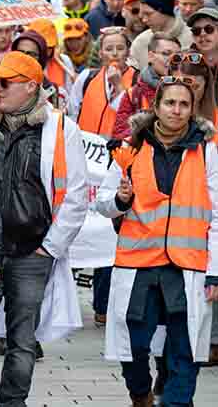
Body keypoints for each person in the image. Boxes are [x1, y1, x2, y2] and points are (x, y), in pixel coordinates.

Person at [0, 52, 89, 407]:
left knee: (22, 338)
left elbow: (76, 194)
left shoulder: (62, 128)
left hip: (33, 252)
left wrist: (49, 248)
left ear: (32, 87)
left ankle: (12, 401)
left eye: (6, 82)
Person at [95, 77, 218, 407]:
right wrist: (120, 200)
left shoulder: (206, 151)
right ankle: (140, 393)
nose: (176, 110)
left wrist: (215, 271)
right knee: (133, 344)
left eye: (184, 105)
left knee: (185, 347)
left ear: (192, 110)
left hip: (188, 265)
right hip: (139, 264)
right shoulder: (132, 147)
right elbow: (103, 202)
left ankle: (175, 403)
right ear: (156, 107)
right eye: (170, 103)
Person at [70, 28, 137, 138]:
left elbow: (132, 118)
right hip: (87, 148)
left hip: (119, 149)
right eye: (109, 49)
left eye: (120, 48)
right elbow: (73, 113)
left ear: (128, 52)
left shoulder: (137, 80)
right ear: (100, 54)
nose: (114, 54)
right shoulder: (87, 77)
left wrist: (118, 85)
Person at [113, 33, 182, 140]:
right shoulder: (133, 95)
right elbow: (119, 136)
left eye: (177, 56)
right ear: (150, 56)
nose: (172, 60)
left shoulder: (187, 90)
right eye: (166, 54)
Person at [130, 0, 194, 71]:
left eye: (149, 14)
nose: (144, 20)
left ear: (164, 11)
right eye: (143, 15)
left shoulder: (194, 37)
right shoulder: (140, 42)